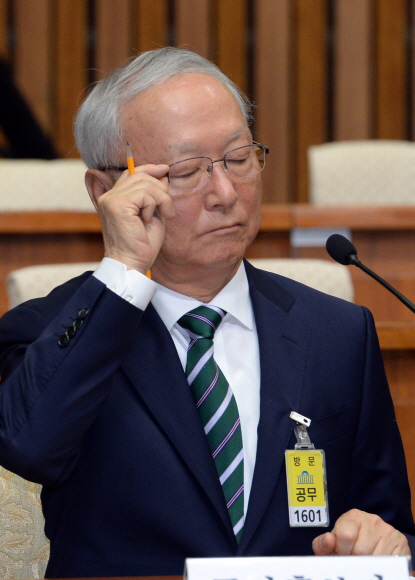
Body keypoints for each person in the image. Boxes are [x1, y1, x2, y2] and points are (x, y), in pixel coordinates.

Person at [0, 47, 414, 577]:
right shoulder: (47, 332)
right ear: (107, 191)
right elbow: (28, 446)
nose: (225, 193)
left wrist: (388, 545)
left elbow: (392, 528)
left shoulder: (336, 333)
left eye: (239, 159)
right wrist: (125, 265)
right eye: (186, 170)